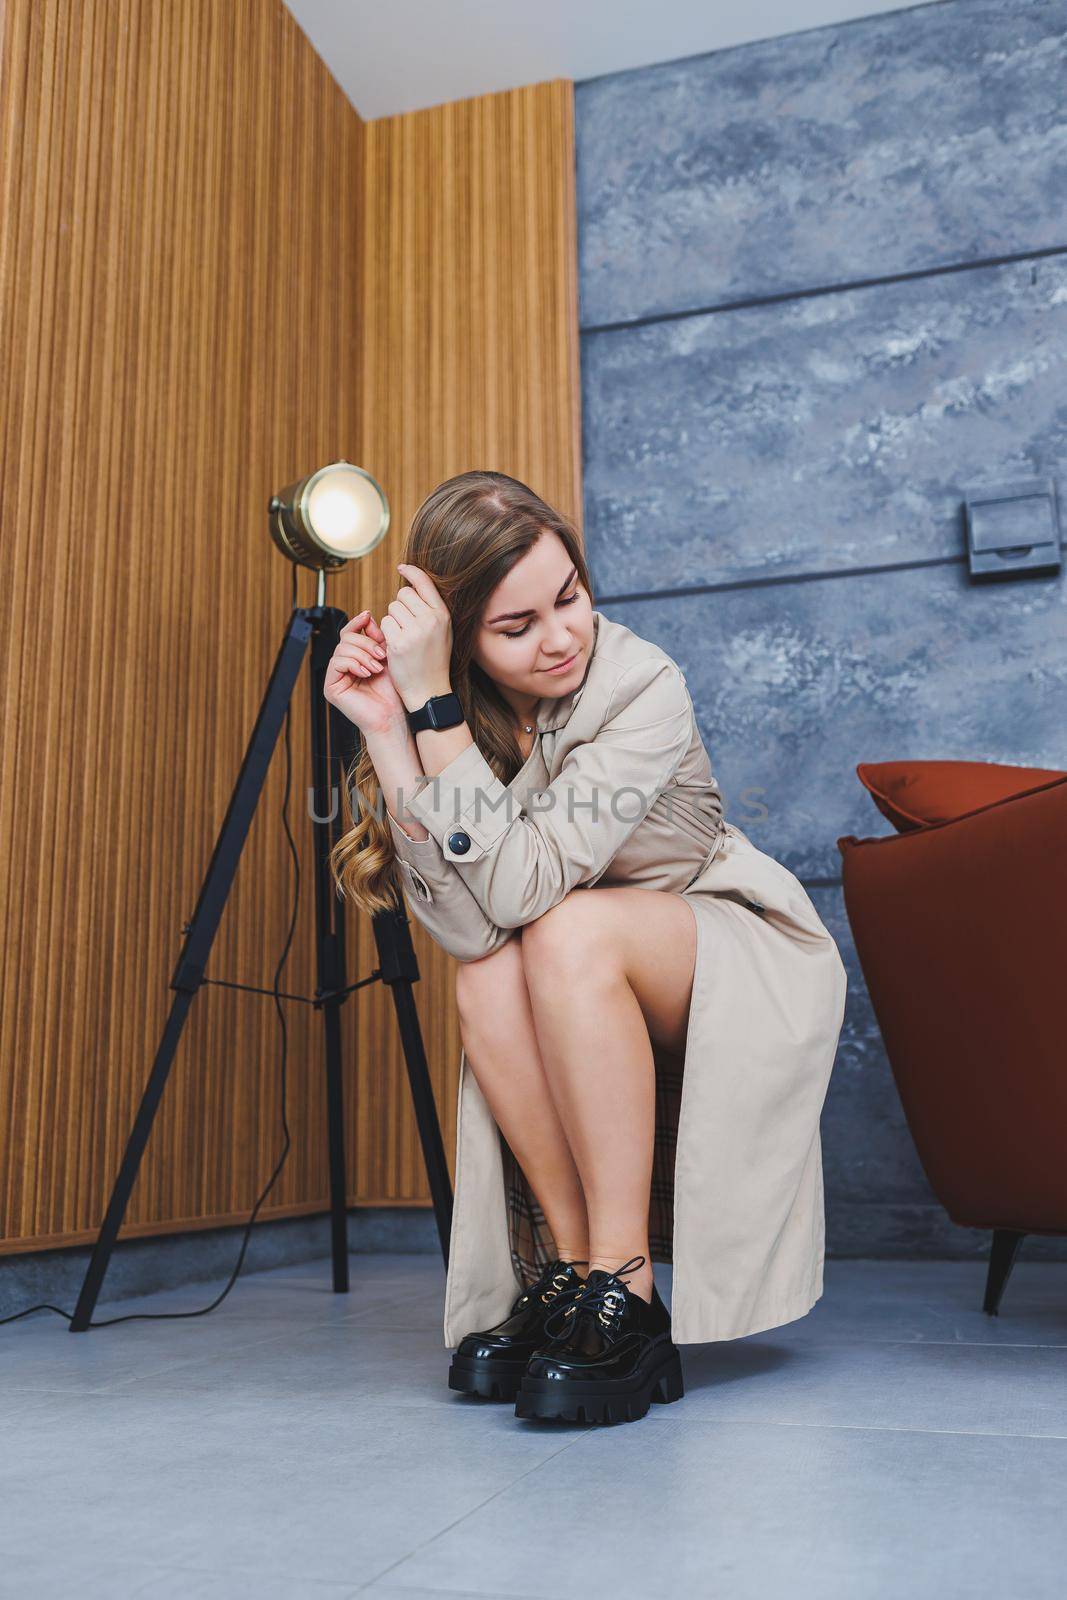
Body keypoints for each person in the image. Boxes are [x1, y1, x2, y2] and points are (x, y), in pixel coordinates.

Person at [324, 472, 848, 1427]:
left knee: (560, 927)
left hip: (724, 940)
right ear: (460, 639)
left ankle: (627, 1288)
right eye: (515, 626)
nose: (562, 635)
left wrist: (433, 703)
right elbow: (470, 930)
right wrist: (391, 736)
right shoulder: (465, 711)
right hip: (580, 954)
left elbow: (524, 892)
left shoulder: (640, 681)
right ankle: (576, 1282)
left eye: (567, 596)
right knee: (487, 978)